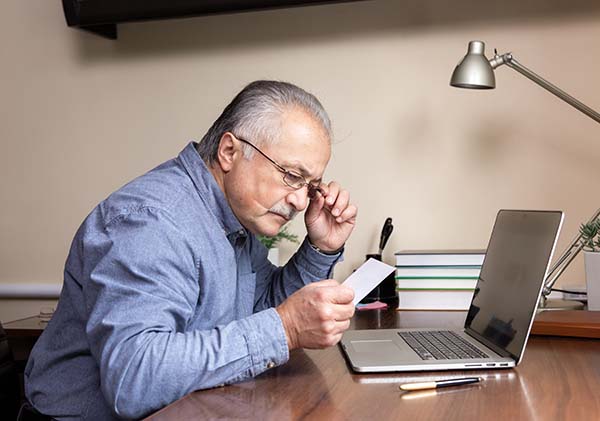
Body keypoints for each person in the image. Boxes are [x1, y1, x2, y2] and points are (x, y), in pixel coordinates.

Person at [24, 80, 358, 420]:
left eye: (310, 185)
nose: (301, 202)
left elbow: (261, 308)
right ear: (229, 152)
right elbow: (133, 379)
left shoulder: (235, 217)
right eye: (291, 176)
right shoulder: (151, 222)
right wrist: (284, 329)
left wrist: (320, 248)